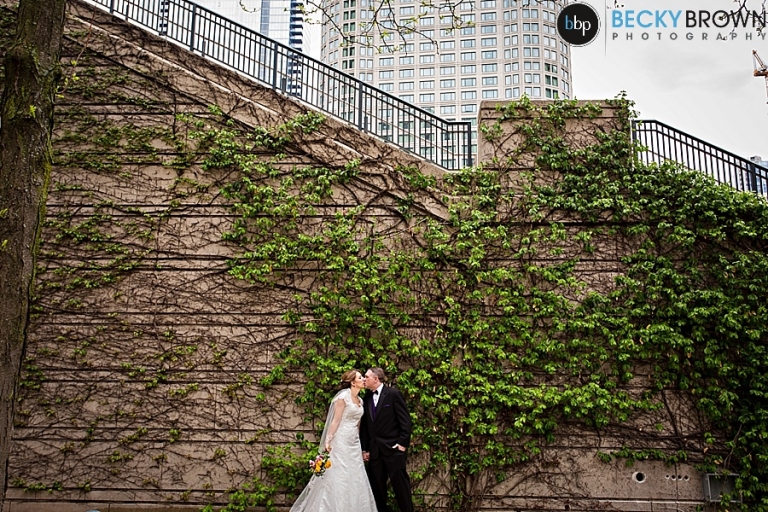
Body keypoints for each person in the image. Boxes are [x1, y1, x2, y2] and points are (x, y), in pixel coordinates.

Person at [290, 370, 378, 512]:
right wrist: (328, 441)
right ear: (352, 382)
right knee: (340, 474)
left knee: (355, 474)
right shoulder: (343, 397)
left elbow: (358, 423)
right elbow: (336, 421)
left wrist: (359, 441)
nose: (363, 380)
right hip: (341, 439)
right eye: (360, 377)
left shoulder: (360, 400)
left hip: (354, 442)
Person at [360, 368, 414, 512]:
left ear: (376, 378)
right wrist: (365, 448)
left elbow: (405, 421)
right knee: (377, 489)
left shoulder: (393, 394)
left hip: (393, 450)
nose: (364, 380)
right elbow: (365, 426)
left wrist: (402, 443)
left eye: (366, 377)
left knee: (401, 487)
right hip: (375, 452)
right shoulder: (366, 398)